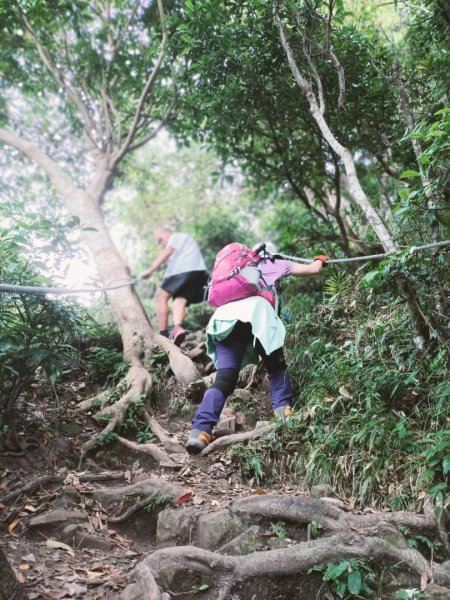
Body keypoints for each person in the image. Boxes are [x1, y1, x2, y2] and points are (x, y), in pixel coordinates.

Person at [185, 245, 329, 454]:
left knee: (225, 379)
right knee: (275, 366)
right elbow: (312, 270)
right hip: (256, 314)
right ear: (273, 253)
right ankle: (284, 415)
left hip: (224, 318)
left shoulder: (238, 269)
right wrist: (320, 259)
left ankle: (200, 431)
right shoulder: (275, 262)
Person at [141, 226, 209, 346]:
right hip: (196, 273)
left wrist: (150, 270)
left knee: (160, 297)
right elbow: (170, 258)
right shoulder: (184, 244)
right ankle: (178, 328)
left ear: (166, 232)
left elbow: (167, 252)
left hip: (183, 270)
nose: (161, 243)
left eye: (160, 240)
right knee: (179, 301)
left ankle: (163, 335)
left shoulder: (176, 237)